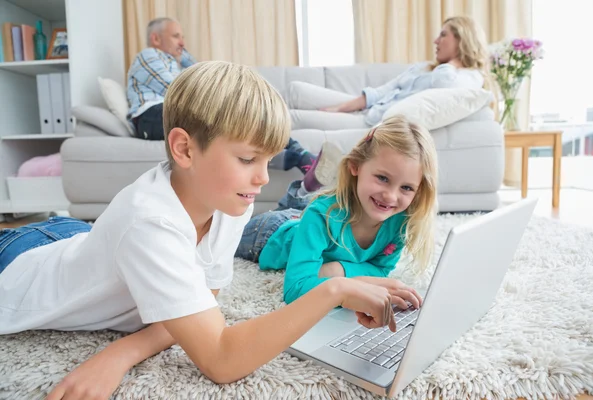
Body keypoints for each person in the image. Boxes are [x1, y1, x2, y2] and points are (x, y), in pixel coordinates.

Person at [0, 61, 400, 400]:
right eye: (247, 158)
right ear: (185, 149)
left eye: (268, 160)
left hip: (74, 236)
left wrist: (123, 350)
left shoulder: (228, 199)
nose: (262, 178)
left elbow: (209, 294)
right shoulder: (150, 224)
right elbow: (222, 361)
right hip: (18, 261)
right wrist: (334, 289)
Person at [236, 115, 438, 311]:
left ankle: (306, 186)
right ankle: (304, 185)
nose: (391, 197)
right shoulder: (321, 215)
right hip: (267, 234)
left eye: (407, 188)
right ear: (355, 166)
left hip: (307, 220)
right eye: (383, 178)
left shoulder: (399, 221)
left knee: (306, 209)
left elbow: (381, 270)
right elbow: (295, 290)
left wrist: (337, 270)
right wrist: (352, 285)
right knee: (227, 233)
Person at [127, 17, 315, 172]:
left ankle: (295, 155)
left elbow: (203, 70)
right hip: (152, 115)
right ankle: (297, 158)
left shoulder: (176, 61)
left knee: (243, 117)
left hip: (174, 110)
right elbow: (175, 90)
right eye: (176, 36)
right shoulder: (148, 55)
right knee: (228, 117)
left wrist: (181, 53)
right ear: (156, 39)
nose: (182, 42)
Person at [289, 16, 488, 130]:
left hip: (371, 120)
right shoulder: (424, 67)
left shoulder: (469, 77)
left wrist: (454, 61)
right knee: (296, 90)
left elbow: (446, 87)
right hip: (369, 108)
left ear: (462, 39)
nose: (436, 41)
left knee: (293, 117)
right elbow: (384, 90)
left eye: (443, 35)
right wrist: (340, 108)